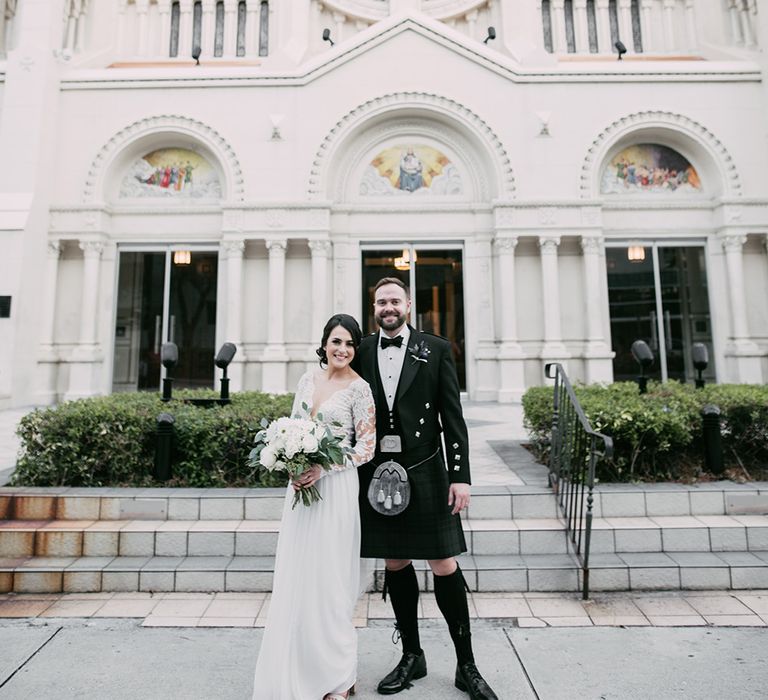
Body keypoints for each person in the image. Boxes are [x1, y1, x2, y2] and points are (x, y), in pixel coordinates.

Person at [355, 278, 497, 700]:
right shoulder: (361, 350)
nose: (388, 307)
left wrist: (461, 475)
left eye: (395, 300)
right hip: (380, 473)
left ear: (409, 305)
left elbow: (453, 418)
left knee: (443, 563)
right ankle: (412, 655)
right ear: (374, 306)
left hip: (426, 468)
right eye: (382, 301)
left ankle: (466, 665)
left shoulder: (435, 349)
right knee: (395, 562)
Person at [252, 313, 376, 700]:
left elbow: (366, 448)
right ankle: (297, 668)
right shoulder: (307, 379)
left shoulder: (361, 390)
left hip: (336, 491)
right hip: (300, 493)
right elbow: (292, 427)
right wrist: (291, 462)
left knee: (331, 584)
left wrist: (324, 467)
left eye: (350, 344)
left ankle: (338, 678)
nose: (342, 350)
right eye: (336, 341)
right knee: (298, 581)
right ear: (324, 343)